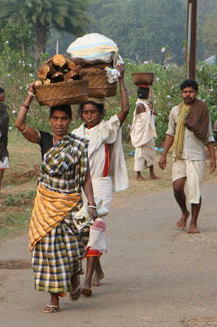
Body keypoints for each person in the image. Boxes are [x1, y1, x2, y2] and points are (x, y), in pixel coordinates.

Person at [14, 85, 98, 313]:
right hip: (46, 205)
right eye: (55, 118)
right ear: (50, 120)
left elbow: (86, 177)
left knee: (73, 248)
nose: (59, 123)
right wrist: (30, 95)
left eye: (64, 119)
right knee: (49, 251)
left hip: (71, 204)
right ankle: (54, 299)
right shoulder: (44, 140)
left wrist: (91, 203)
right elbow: (19, 124)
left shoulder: (78, 145)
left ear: (70, 120)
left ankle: (73, 277)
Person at [71, 65, 129, 297]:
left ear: (100, 114)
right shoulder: (75, 134)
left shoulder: (107, 129)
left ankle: (87, 280)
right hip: (81, 187)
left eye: (93, 112)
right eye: (85, 112)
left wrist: (122, 79)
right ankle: (99, 270)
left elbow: (125, 109)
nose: (89, 116)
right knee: (81, 229)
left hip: (101, 184)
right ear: (81, 114)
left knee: (95, 228)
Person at [158, 79, 216, 234]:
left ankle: (193, 223)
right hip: (179, 154)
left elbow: (209, 135)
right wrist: (163, 155)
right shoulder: (175, 111)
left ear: (196, 93)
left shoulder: (202, 110)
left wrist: (213, 159)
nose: (188, 95)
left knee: (194, 190)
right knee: (177, 188)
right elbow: (170, 133)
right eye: (185, 92)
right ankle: (184, 211)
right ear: (181, 93)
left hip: (196, 155)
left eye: (190, 91)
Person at [130, 85, 160, 180]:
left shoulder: (147, 104)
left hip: (148, 132)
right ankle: (138, 175)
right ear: (146, 94)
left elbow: (154, 114)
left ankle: (152, 173)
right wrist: (151, 110)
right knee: (140, 153)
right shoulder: (140, 105)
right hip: (141, 133)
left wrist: (151, 110)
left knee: (151, 150)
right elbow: (145, 118)